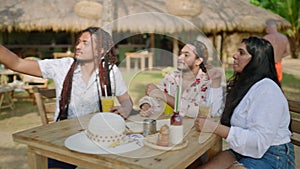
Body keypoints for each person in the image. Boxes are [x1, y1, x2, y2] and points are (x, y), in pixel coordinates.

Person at [0, 27, 133, 169]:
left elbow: (126, 100)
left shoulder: (110, 71)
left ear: (100, 51)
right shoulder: (62, 66)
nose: (78, 46)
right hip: (62, 140)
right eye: (78, 42)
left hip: (97, 139)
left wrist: (125, 108)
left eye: (85, 43)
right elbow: (17, 63)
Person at [194, 36, 295, 169]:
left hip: (272, 155)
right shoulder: (244, 85)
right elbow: (215, 113)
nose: (234, 56)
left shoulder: (267, 89)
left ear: (256, 60)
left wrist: (215, 128)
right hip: (243, 151)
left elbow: (259, 142)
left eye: (241, 53)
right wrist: (216, 83)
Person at [139, 40, 224, 118]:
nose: (180, 57)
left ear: (198, 61)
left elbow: (199, 111)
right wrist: (146, 105)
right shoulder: (172, 77)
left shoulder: (207, 82)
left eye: (186, 55)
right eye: (180, 54)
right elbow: (155, 97)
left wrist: (165, 96)